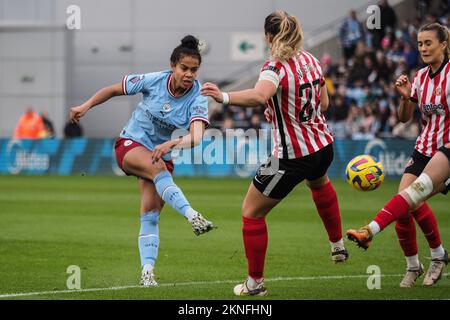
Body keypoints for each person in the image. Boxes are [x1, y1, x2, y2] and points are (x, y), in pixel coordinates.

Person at [201, 11, 347, 296]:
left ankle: (255, 284)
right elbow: (324, 104)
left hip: (291, 156)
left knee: (251, 213)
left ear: (269, 37)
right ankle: (337, 244)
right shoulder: (312, 61)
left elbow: (259, 95)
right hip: (323, 146)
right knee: (319, 184)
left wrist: (224, 96)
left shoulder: (274, 68)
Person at [69, 35, 215, 287]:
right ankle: (192, 215)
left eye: (194, 70)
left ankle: (147, 272)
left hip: (161, 155)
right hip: (130, 145)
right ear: (173, 66)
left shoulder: (198, 97)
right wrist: (86, 105)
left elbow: (197, 136)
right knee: (157, 168)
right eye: (184, 68)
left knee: (150, 214)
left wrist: (173, 143)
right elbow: (114, 90)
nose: (189, 74)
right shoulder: (154, 80)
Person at [347, 22, 450, 287]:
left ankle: (369, 230)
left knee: (414, 192)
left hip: (448, 147)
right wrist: (405, 98)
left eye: (429, 43)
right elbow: (403, 118)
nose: (423, 48)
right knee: (405, 204)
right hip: (424, 147)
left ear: (444, 44)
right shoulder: (421, 77)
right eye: (420, 44)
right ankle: (418, 264)